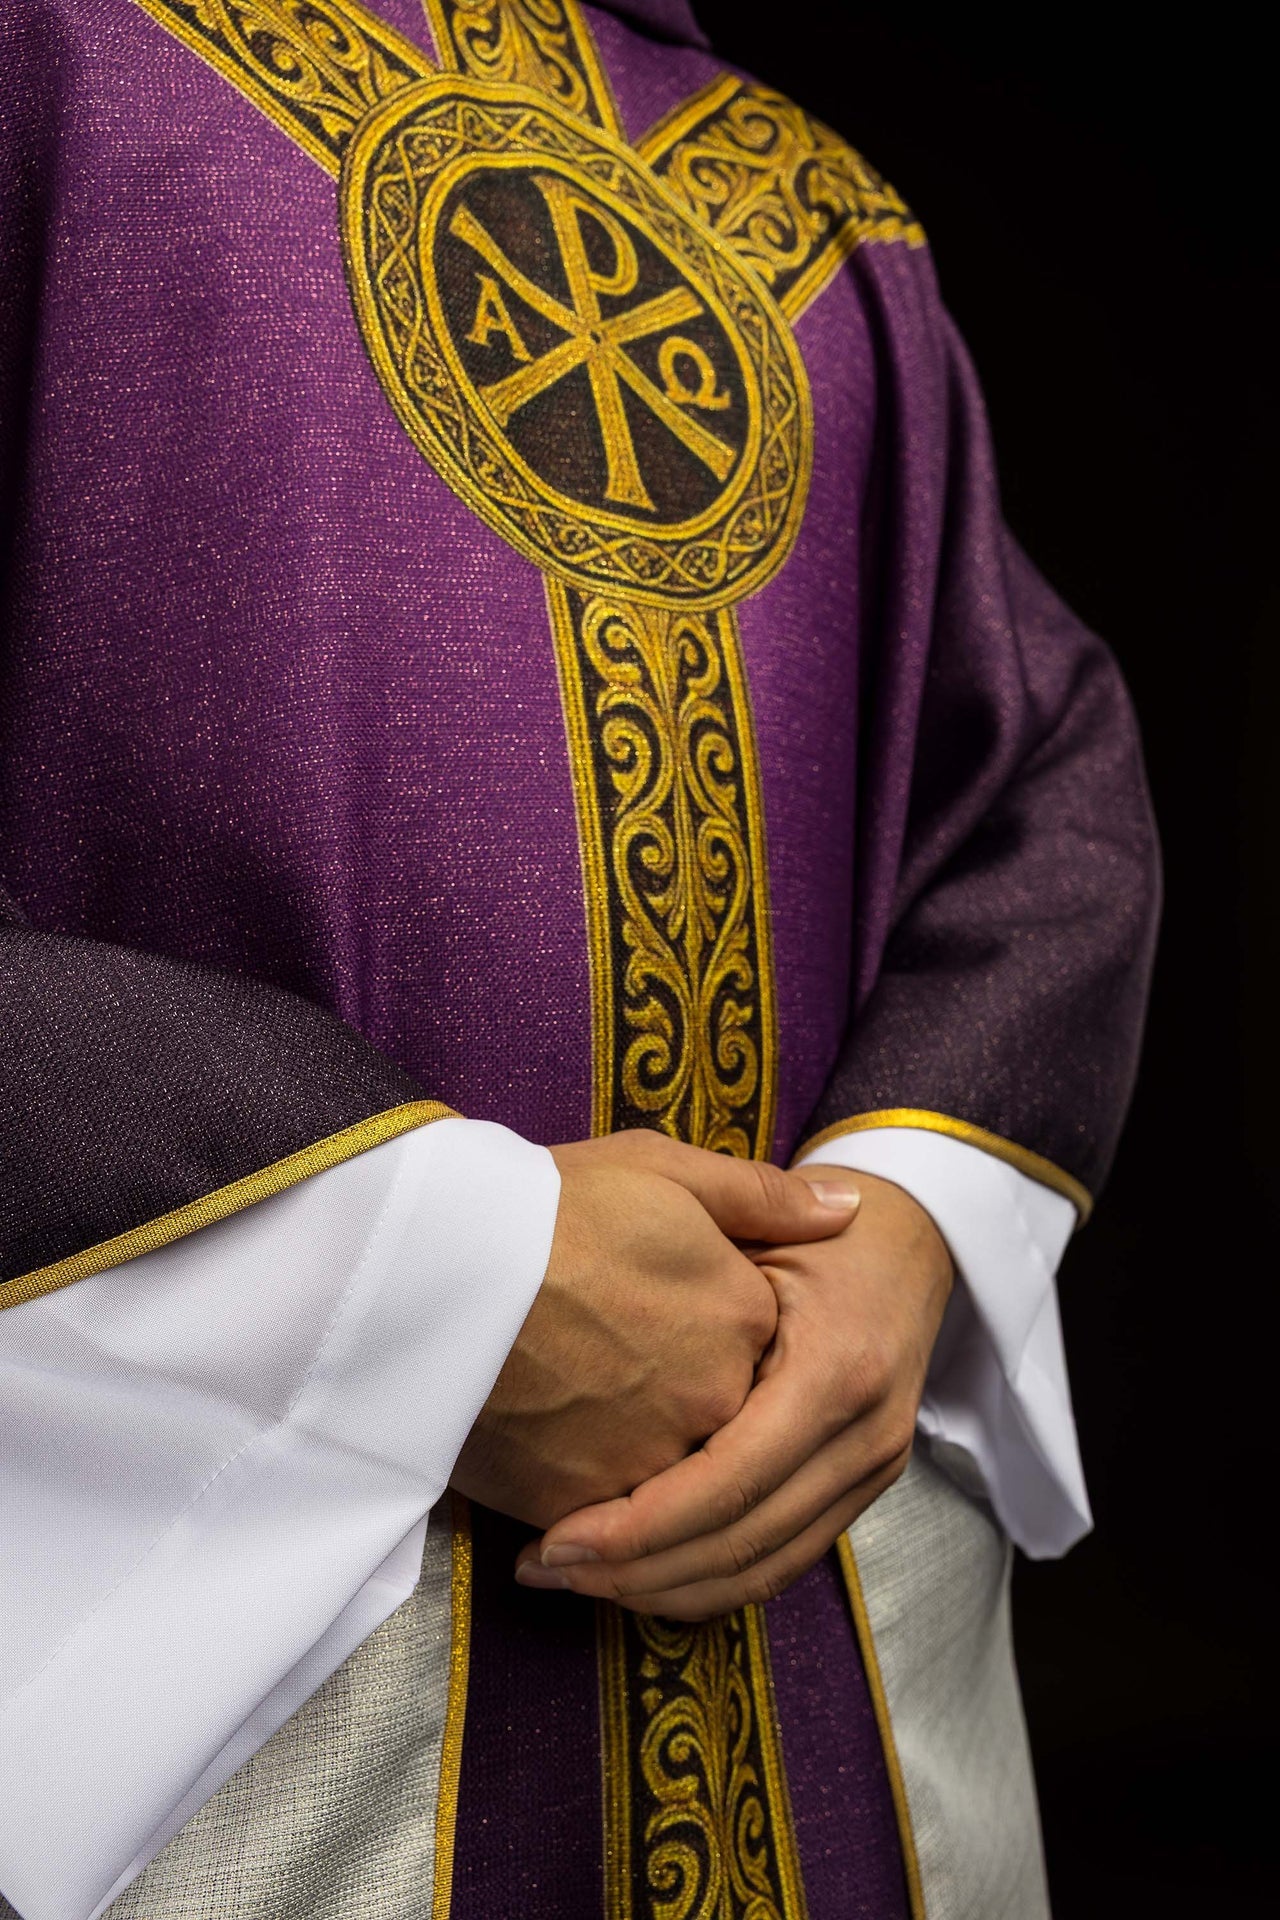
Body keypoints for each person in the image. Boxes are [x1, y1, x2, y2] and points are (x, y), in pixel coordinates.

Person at [0, 2, 1159, 1916]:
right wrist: (436, 1272)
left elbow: (1034, 770)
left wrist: (901, 1221)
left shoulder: (809, 207)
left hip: (832, 1615)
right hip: (258, 1679)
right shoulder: (59, 55)